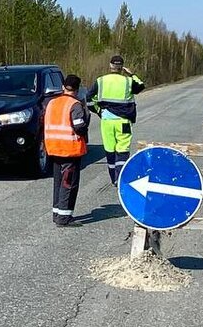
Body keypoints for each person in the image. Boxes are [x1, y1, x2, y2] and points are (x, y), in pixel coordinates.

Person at [85, 55, 145, 185]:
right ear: (122, 67)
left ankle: (114, 178)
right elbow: (141, 86)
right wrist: (132, 74)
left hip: (106, 121)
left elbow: (88, 98)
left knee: (110, 150)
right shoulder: (128, 81)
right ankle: (121, 177)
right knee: (122, 150)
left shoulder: (101, 81)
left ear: (110, 66)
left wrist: (98, 110)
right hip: (123, 121)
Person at [44, 73, 90, 226]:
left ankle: (57, 213)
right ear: (77, 90)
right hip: (69, 149)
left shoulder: (51, 103)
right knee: (69, 183)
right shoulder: (75, 105)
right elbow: (79, 127)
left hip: (53, 148)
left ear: (63, 87)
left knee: (58, 182)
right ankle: (64, 218)